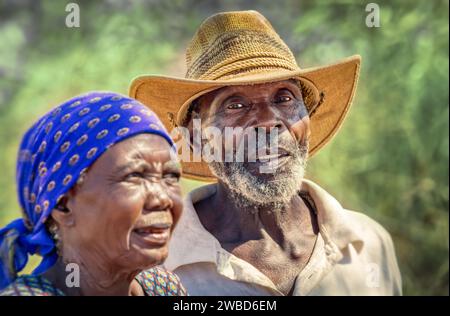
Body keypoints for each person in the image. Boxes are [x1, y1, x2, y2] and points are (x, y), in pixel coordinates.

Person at [130, 10, 402, 295]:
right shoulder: (156, 268)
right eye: (235, 105)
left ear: (306, 119)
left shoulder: (368, 244)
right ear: (197, 137)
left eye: (284, 98)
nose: (267, 121)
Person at [0, 92, 187, 296]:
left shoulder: (162, 287)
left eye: (170, 175)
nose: (163, 198)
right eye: (134, 176)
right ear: (63, 205)